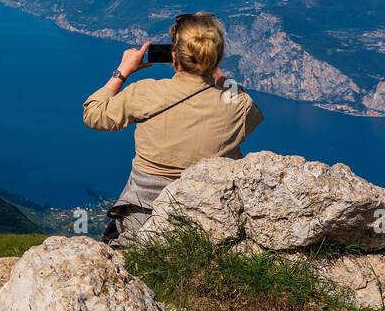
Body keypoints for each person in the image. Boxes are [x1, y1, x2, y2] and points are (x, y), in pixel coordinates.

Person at [82, 12, 263, 246]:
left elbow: (93, 114)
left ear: (174, 57)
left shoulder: (145, 92)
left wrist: (122, 71)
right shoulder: (237, 103)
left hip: (142, 221)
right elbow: (248, 110)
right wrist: (216, 74)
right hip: (207, 221)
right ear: (215, 57)